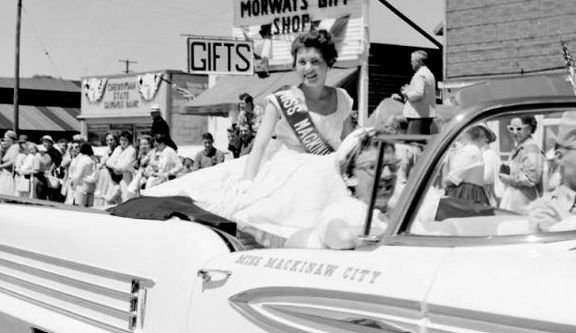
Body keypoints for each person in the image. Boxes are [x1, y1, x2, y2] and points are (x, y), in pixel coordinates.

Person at [144, 29, 354, 244]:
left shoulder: (343, 98)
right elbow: (260, 146)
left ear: (328, 62)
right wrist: (247, 182)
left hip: (328, 174)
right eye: (302, 62)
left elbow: (348, 147)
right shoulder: (281, 100)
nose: (308, 68)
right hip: (287, 171)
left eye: (315, 61)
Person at [287, 129, 397, 249]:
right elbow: (339, 237)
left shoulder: (398, 212)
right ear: (350, 176)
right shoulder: (345, 209)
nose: (387, 174)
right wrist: (393, 236)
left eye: (392, 166)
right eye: (374, 167)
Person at [499, 115, 544, 213]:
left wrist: (508, 178)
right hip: (516, 201)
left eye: (519, 129)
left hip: (525, 204)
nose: (514, 132)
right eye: (511, 128)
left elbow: (532, 178)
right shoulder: (520, 147)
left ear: (530, 128)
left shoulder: (531, 148)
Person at [443, 126, 488, 204]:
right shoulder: (472, 149)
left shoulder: (470, 149)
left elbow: (453, 178)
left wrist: (445, 181)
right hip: (469, 192)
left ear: (467, 134)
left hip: (466, 194)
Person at [400, 50, 436, 135]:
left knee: (413, 143)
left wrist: (406, 93)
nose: (411, 63)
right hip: (425, 115)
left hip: (417, 116)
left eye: (412, 61)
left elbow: (418, 93)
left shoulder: (420, 75)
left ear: (418, 62)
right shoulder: (429, 74)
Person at [106, 131, 137, 203]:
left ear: (129, 141)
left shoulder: (131, 150)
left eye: (125, 140)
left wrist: (115, 166)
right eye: (121, 140)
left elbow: (124, 167)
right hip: (115, 178)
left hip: (127, 177)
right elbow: (108, 162)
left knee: (126, 198)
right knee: (111, 199)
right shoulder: (118, 149)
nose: (122, 142)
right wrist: (117, 167)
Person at [68, 142, 97, 207]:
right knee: (89, 207)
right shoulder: (93, 160)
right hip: (91, 185)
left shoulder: (82, 160)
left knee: (80, 208)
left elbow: (78, 174)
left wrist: (73, 181)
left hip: (82, 185)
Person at [0, 130, 20, 195]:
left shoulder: (15, 147)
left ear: (10, 139)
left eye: (6, 137)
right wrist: (0, 151)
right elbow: (1, 160)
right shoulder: (9, 148)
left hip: (8, 175)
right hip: (4, 173)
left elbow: (13, 162)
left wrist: (0, 166)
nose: (4, 139)